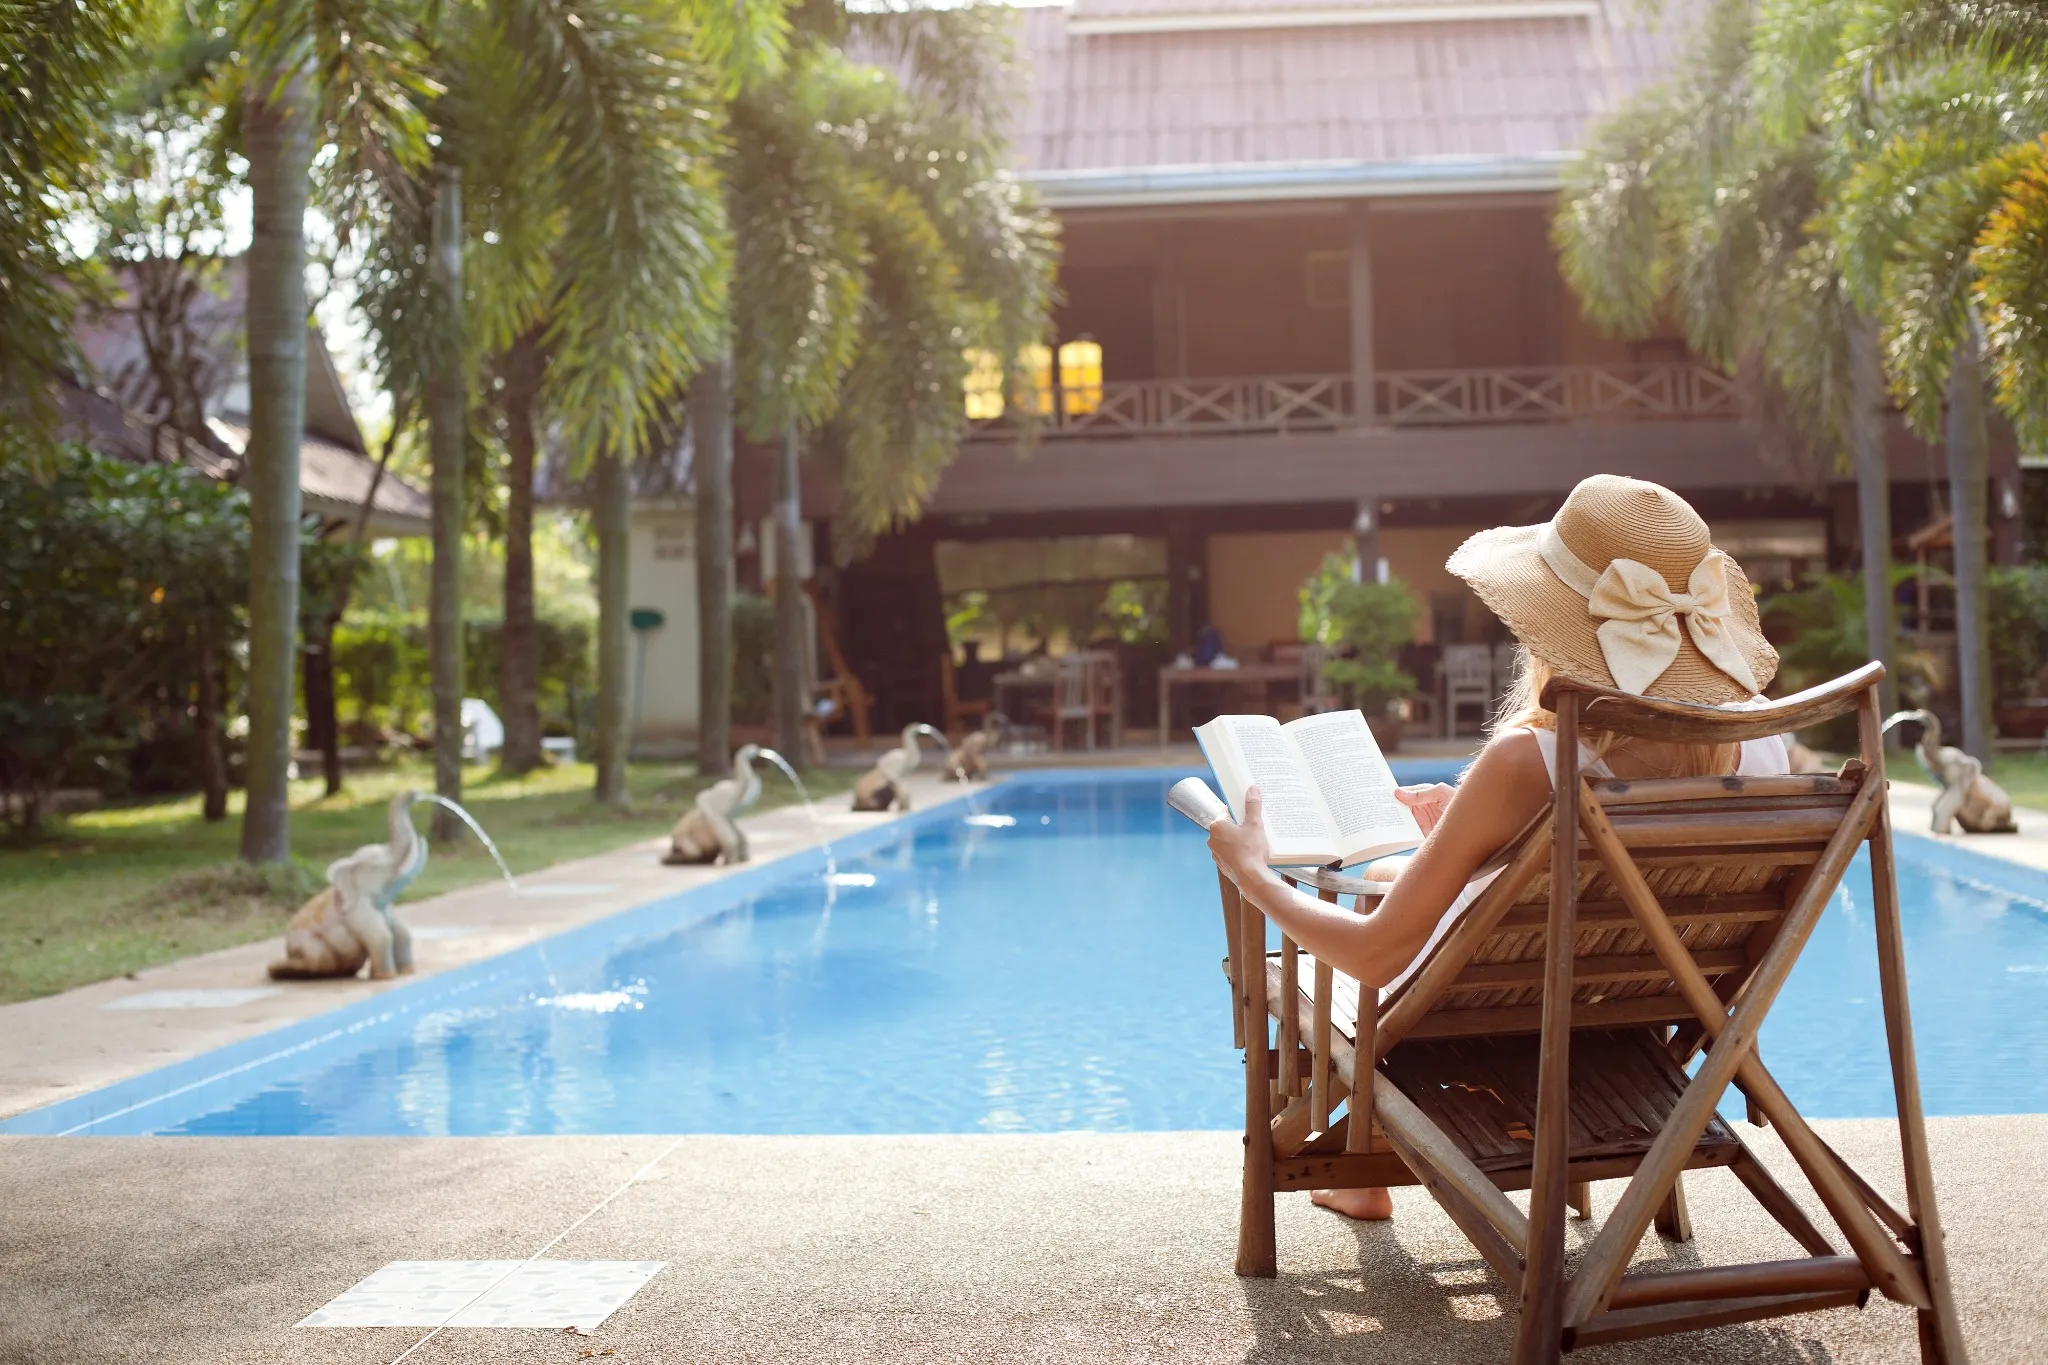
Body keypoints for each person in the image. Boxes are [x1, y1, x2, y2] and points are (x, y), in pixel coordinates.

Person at [1204, 475, 1788, 1221]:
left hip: (1489, 1009)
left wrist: (1255, 873)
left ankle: (1358, 1162)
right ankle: (1364, 1168)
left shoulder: (1529, 763)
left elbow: (1376, 957)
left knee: (1338, 938)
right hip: (1638, 1005)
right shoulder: (1767, 745)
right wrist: (1480, 828)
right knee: (1407, 880)